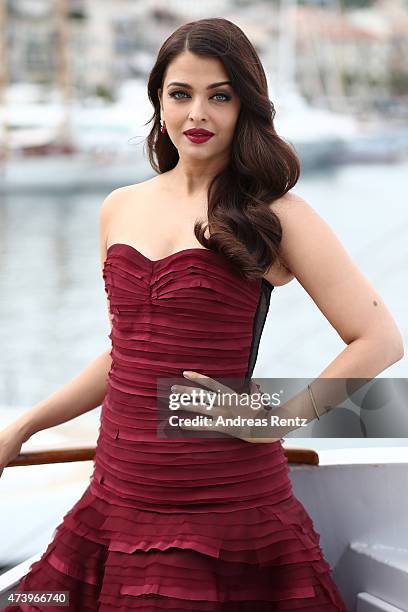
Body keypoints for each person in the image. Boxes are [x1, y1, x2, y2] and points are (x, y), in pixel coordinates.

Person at [0, 17, 404, 612]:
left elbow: (378, 338)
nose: (198, 115)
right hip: (115, 494)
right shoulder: (120, 207)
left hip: (222, 502)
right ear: (158, 101)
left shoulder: (275, 215)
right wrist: (24, 425)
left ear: (245, 106)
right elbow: (128, 353)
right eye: (181, 94)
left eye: (220, 96)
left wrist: (277, 419)